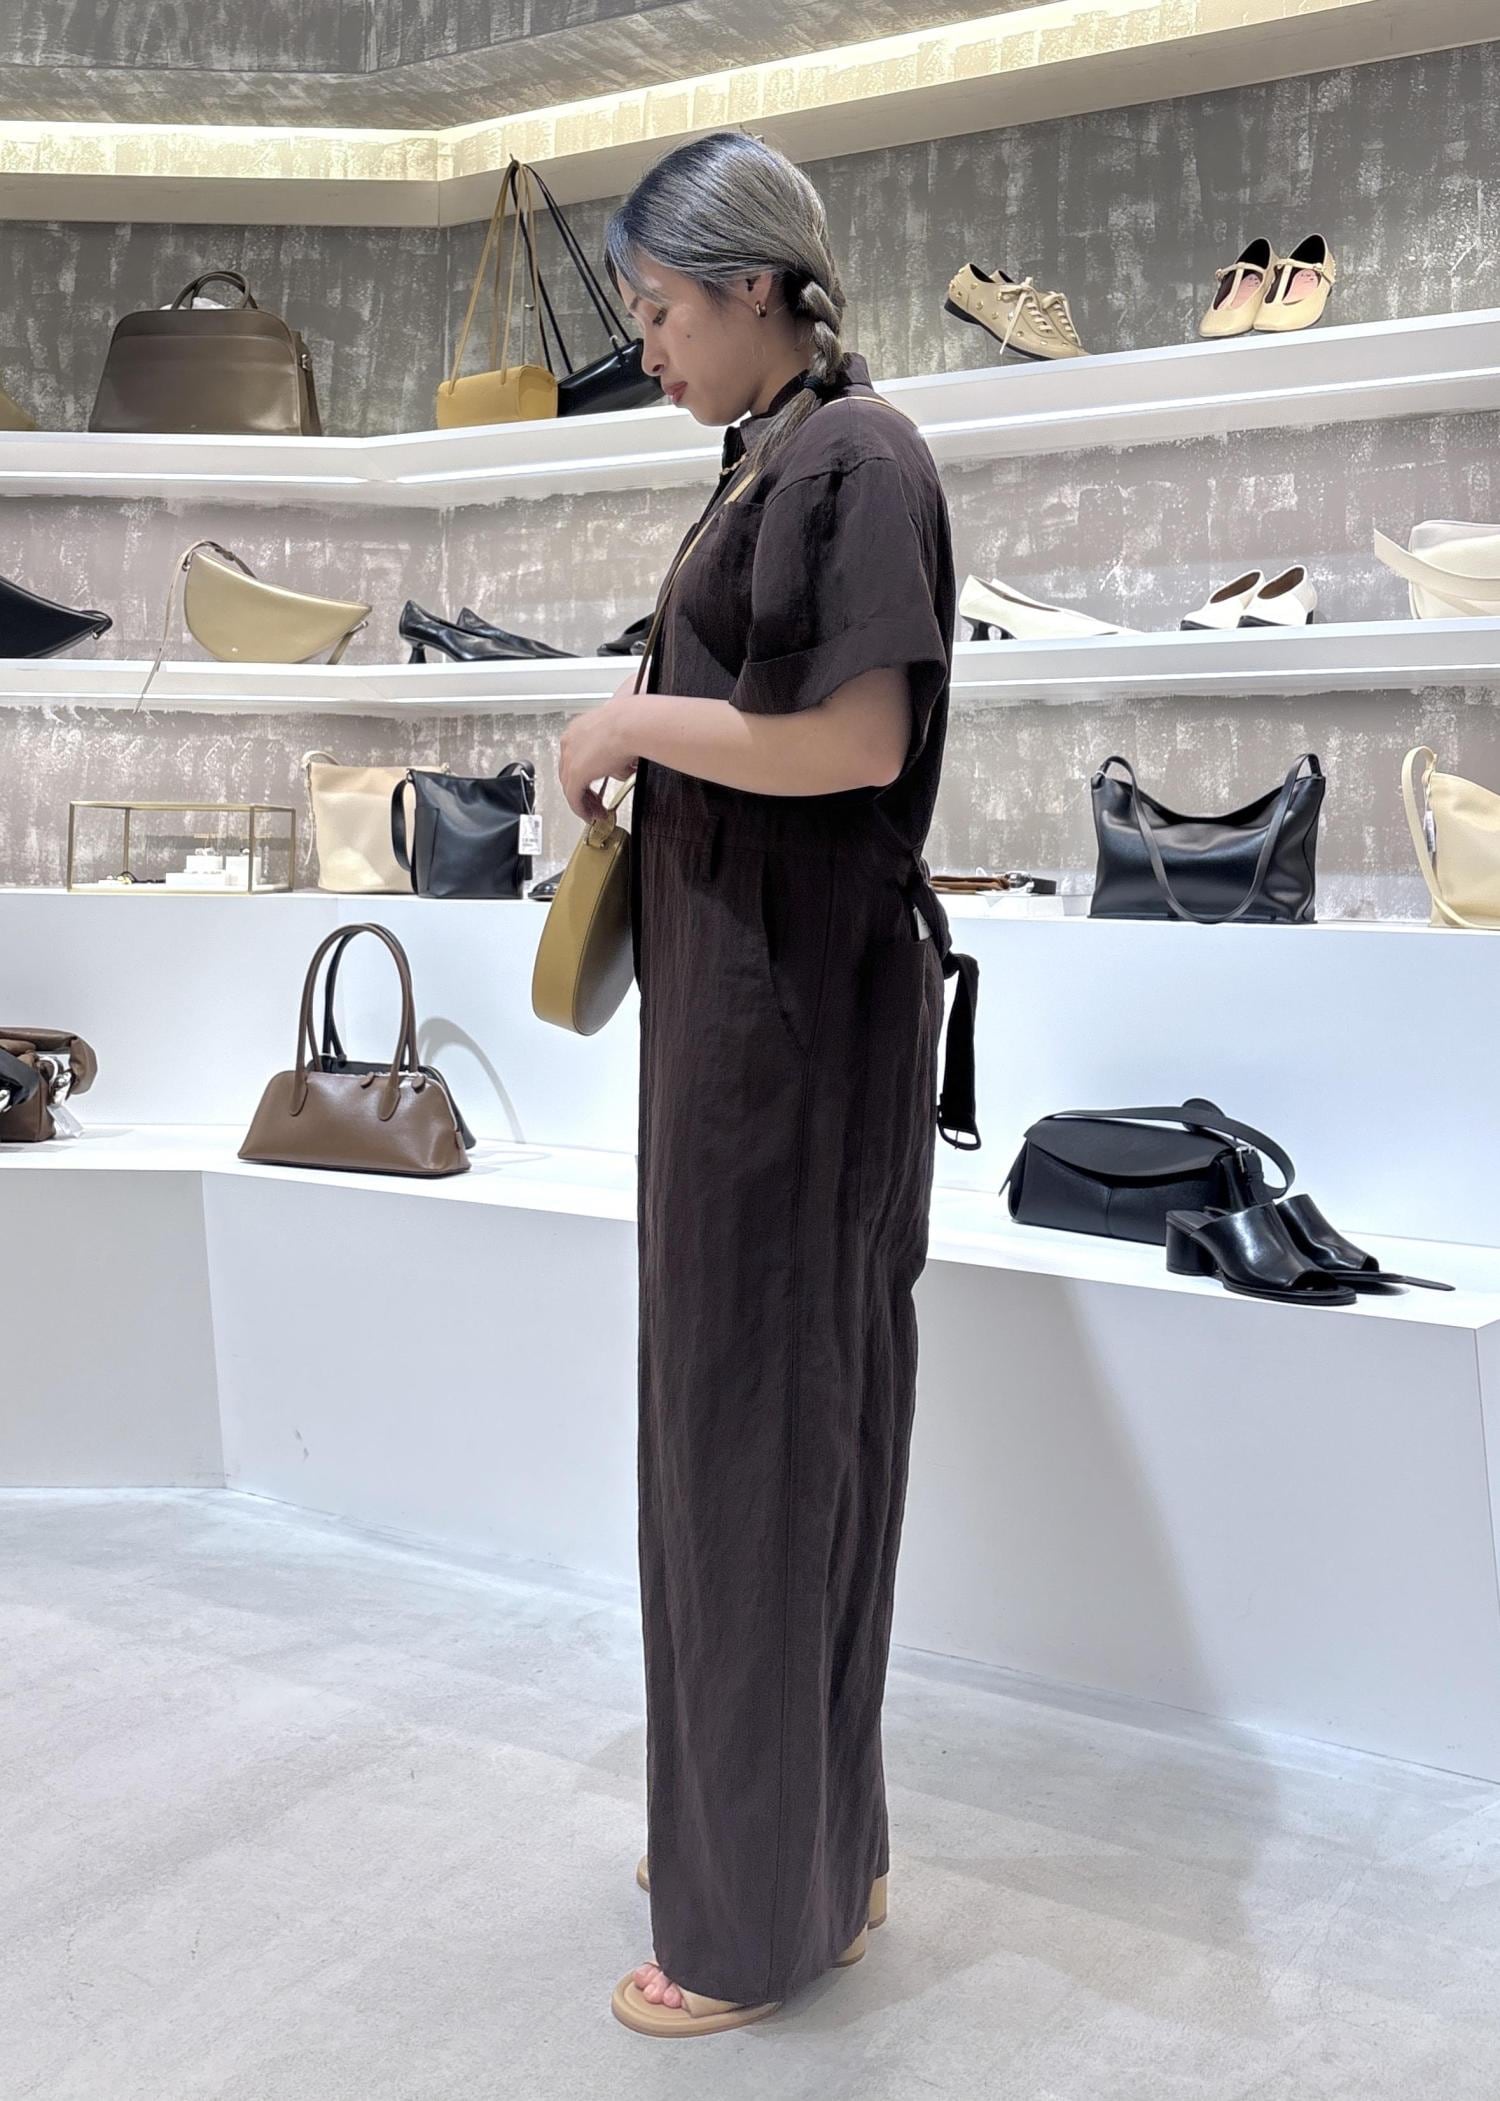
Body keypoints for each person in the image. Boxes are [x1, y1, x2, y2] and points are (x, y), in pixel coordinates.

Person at [557, 128, 980, 2039]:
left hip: (793, 1039)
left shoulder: (854, 459)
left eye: (658, 308)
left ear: (751, 286)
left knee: (760, 1437)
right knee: (776, 1434)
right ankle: (813, 1850)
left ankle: (746, 1922)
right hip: (753, 1025)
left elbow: (857, 738)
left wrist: (628, 719)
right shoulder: (775, 458)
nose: (646, 346)